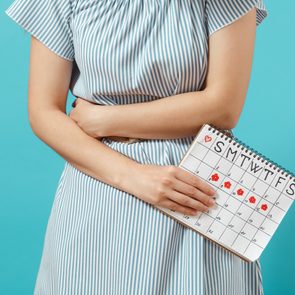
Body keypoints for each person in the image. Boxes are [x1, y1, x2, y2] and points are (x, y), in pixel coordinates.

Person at [5, 0, 268, 294]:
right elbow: (43, 112)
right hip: (99, 187)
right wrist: (134, 176)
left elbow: (223, 107)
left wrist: (106, 120)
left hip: (197, 194)